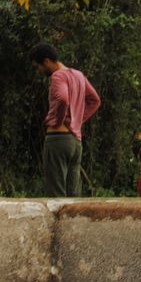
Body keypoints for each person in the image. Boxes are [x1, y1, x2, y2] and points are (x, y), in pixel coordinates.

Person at [31, 43, 100, 197]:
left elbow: (63, 99)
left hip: (58, 139)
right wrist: (77, 121)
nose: (38, 71)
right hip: (75, 142)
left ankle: (58, 223)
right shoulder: (78, 75)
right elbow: (95, 100)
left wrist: (57, 120)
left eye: (38, 67)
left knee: (56, 195)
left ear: (47, 61)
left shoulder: (58, 76)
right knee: (73, 196)